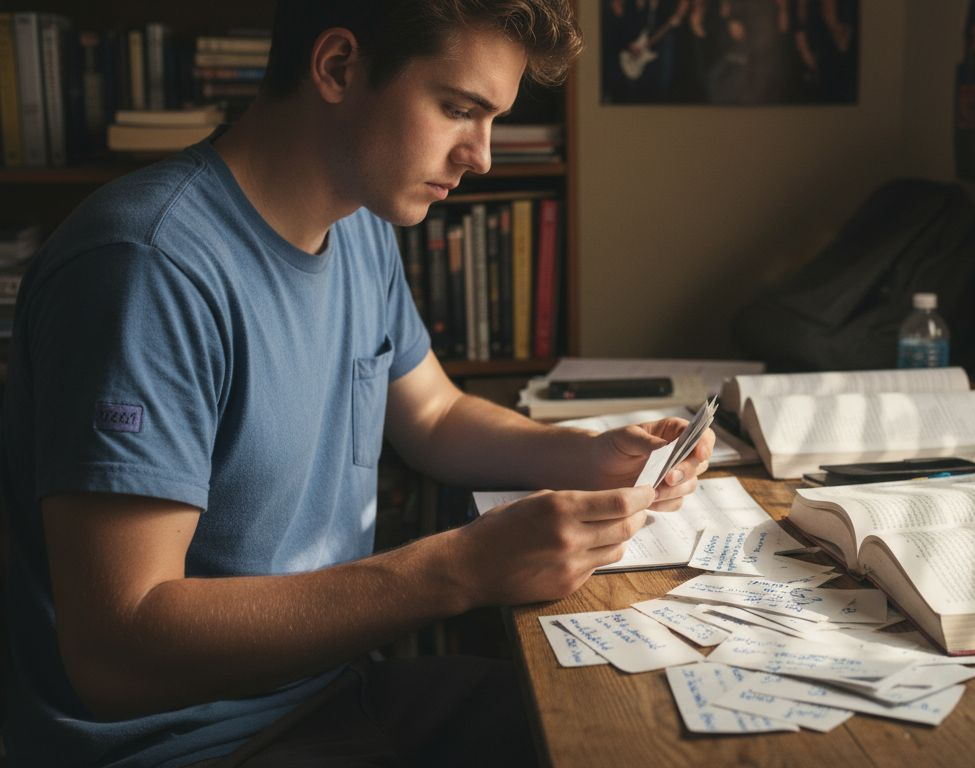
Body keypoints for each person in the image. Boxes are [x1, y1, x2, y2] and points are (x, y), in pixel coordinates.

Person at [0, 1, 715, 766]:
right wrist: (460, 569)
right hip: (182, 746)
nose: (482, 157)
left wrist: (587, 455)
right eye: (457, 110)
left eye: (492, 120)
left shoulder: (357, 220)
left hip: (321, 694)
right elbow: (116, 650)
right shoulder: (147, 268)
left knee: (640, 728)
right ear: (338, 68)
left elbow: (433, 415)